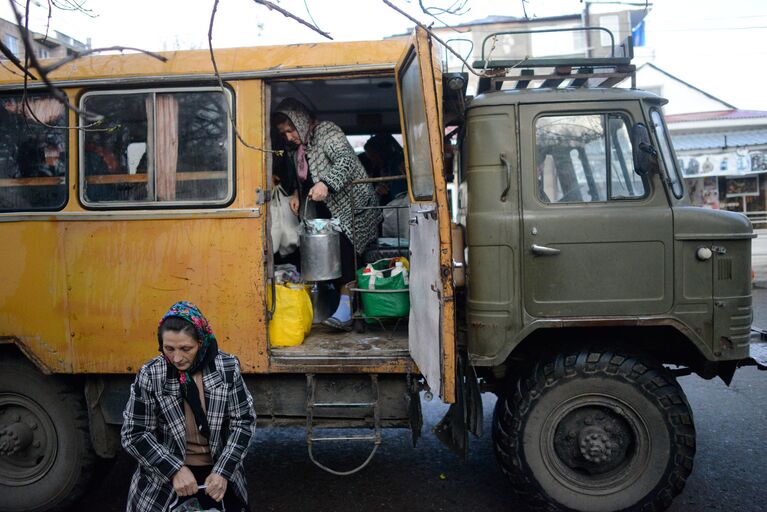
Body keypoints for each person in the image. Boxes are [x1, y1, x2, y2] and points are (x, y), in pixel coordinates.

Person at [121, 301, 256, 512]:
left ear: (201, 342)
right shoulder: (151, 374)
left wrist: (223, 471)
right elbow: (134, 433)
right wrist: (174, 470)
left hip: (217, 474)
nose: (176, 358)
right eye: (169, 348)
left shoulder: (227, 367)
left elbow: (243, 423)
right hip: (164, 477)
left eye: (186, 349)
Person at [273, 98, 381, 331]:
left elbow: (346, 160)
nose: (289, 137)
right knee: (326, 258)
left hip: (353, 208)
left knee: (346, 253)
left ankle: (347, 311)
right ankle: (340, 307)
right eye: (284, 133)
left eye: (290, 130)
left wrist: (327, 184)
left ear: (300, 121)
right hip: (325, 212)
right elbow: (305, 179)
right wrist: (296, 193)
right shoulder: (297, 151)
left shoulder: (326, 132)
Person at [363, 134, 406, 204]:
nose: (373, 161)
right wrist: (378, 189)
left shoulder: (400, 162)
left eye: (373, 156)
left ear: (382, 152)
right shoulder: (377, 170)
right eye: (370, 158)